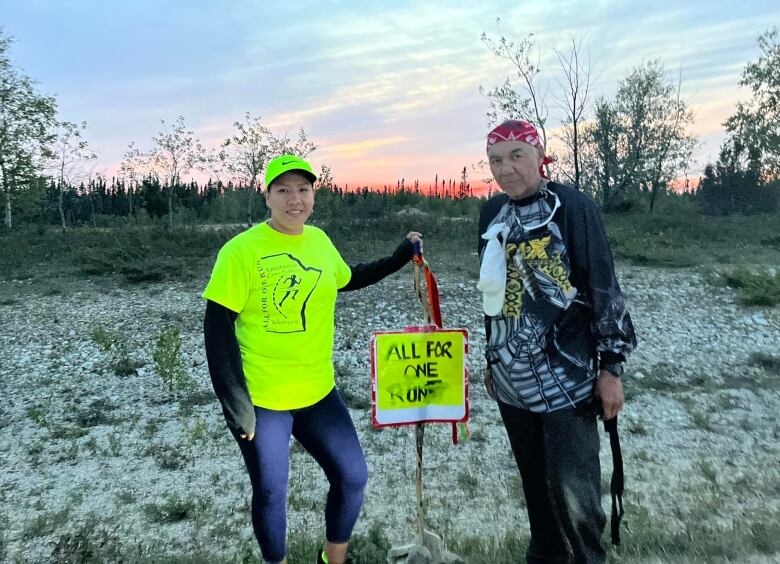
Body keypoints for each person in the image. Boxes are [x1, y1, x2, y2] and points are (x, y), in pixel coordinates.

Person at [203, 154, 422, 564]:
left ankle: (333, 559)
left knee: (352, 477)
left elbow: (349, 277)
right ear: (266, 195)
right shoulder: (240, 252)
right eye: (283, 190)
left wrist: (399, 256)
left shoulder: (319, 241)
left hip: (318, 391)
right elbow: (217, 332)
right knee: (271, 491)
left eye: (303, 190)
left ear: (314, 196)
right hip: (263, 400)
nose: (294, 199)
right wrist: (237, 405)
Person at [478, 120, 637, 564]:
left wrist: (611, 368)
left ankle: (588, 557)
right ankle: (546, 555)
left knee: (575, 491)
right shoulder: (490, 213)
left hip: (569, 378)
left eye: (516, 156)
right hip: (511, 379)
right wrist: (494, 358)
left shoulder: (573, 207)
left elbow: (603, 287)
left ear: (540, 155)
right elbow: (496, 295)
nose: (505, 169)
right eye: (495, 160)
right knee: (535, 485)